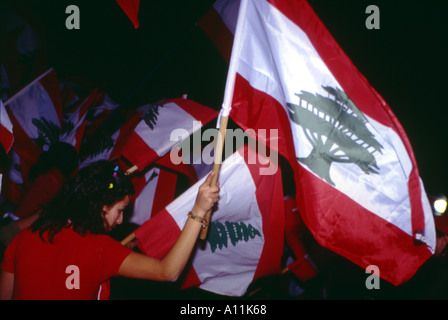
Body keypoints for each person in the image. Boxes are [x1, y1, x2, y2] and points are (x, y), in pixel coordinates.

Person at [0, 160, 219, 299]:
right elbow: (168, 271)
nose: (121, 220)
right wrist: (198, 211)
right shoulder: (101, 248)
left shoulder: (23, 238)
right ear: (102, 207)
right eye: (121, 210)